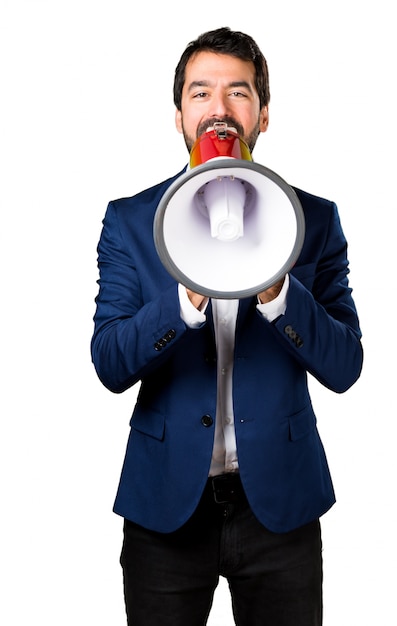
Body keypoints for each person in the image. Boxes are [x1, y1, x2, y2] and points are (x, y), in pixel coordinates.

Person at [91, 26, 363, 626]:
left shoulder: (313, 222)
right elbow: (110, 361)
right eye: (200, 93)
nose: (220, 110)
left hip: (280, 511)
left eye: (239, 93)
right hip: (165, 509)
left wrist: (279, 292)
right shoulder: (132, 222)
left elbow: (345, 366)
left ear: (263, 115)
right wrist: (187, 296)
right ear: (179, 115)